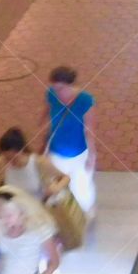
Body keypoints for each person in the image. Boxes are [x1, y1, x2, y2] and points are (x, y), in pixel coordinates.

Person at [40, 66, 97, 216]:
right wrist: (44, 143)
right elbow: (47, 115)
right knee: (58, 185)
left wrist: (92, 155)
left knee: (81, 187)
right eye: (55, 88)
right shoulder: (51, 94)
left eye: (61, 89)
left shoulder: (85, 100)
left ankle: (85, 214)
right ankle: (65, 215)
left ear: (71, 85)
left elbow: (89, 130)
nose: (57, 92)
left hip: (78, 153)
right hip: (55, 151)